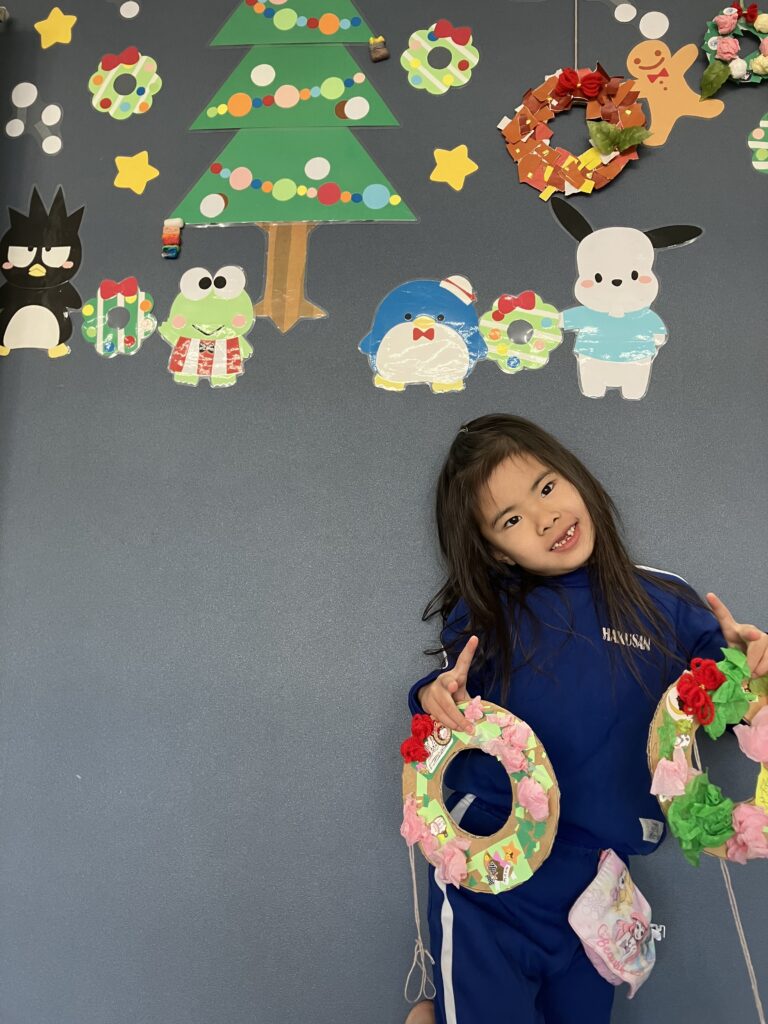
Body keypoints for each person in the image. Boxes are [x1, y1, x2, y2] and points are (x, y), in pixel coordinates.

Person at [403, 414, 768, 1024]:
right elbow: (445, 692)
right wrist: (433, 695)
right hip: (494, 874)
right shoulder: (489, 611)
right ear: (495, 550)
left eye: (547, 487)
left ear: (577, 479)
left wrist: (753, 662)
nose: (545, 518)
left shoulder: (664, 601)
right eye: (511, 519)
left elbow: (734, 696)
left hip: (599, 889)